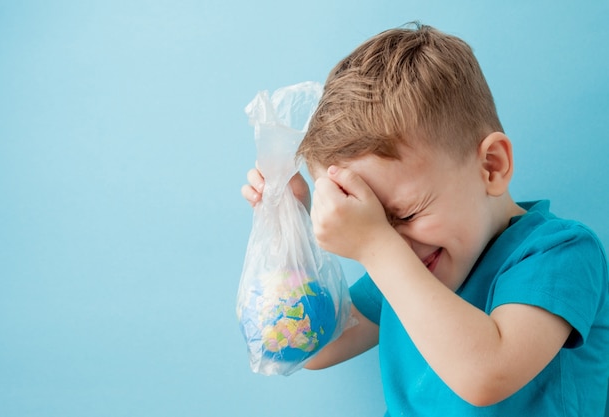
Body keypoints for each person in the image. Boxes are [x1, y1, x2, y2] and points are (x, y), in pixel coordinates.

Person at [241, 23, 609, 416]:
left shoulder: (559, 255)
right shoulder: (406, 268)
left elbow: (486, 375)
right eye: (371, 221)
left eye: (407, 214)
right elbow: (312, 348)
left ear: (491, 166)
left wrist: (374, 244)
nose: (393, 241)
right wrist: (289, 221)